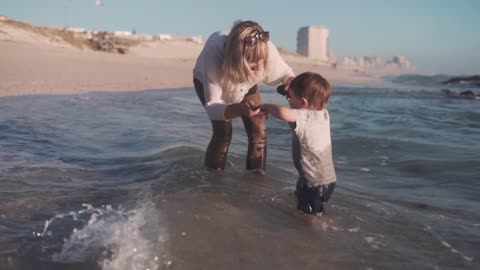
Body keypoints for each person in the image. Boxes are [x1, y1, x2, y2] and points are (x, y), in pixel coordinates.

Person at [193, 20, 295, 171]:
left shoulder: (264, 46)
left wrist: (291, 83)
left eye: (262, 63)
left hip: (247, 86)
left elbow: (286, 74)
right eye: (254, 66)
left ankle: (256, 181)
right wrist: (239, 109)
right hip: (210, 83)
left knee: (259, 132)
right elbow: (213, 106)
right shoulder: (214, 52)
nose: (261, 68)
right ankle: (213, 182)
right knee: (223, 133)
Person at [259, 72, 336, 216]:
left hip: (315, 182)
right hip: (318, 179)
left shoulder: (304, 116)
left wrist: (266, 106)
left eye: (290, 97)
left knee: (312, 217)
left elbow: (283, 112)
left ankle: (314, 235)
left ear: (304, 103)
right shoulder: (323, 114)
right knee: (300, 201)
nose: (288, 100)